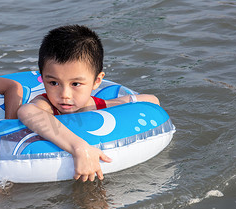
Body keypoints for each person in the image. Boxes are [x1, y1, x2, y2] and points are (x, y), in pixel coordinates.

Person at [17, 25, 159, 182]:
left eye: (75, 84)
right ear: (42, 78)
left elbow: (152, 101)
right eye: (53, 83)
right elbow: (27, 111)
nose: (64, 95)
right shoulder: (45, 106)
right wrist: (79, 147)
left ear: (97, 81)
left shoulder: (96, 105)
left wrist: (130, 100)